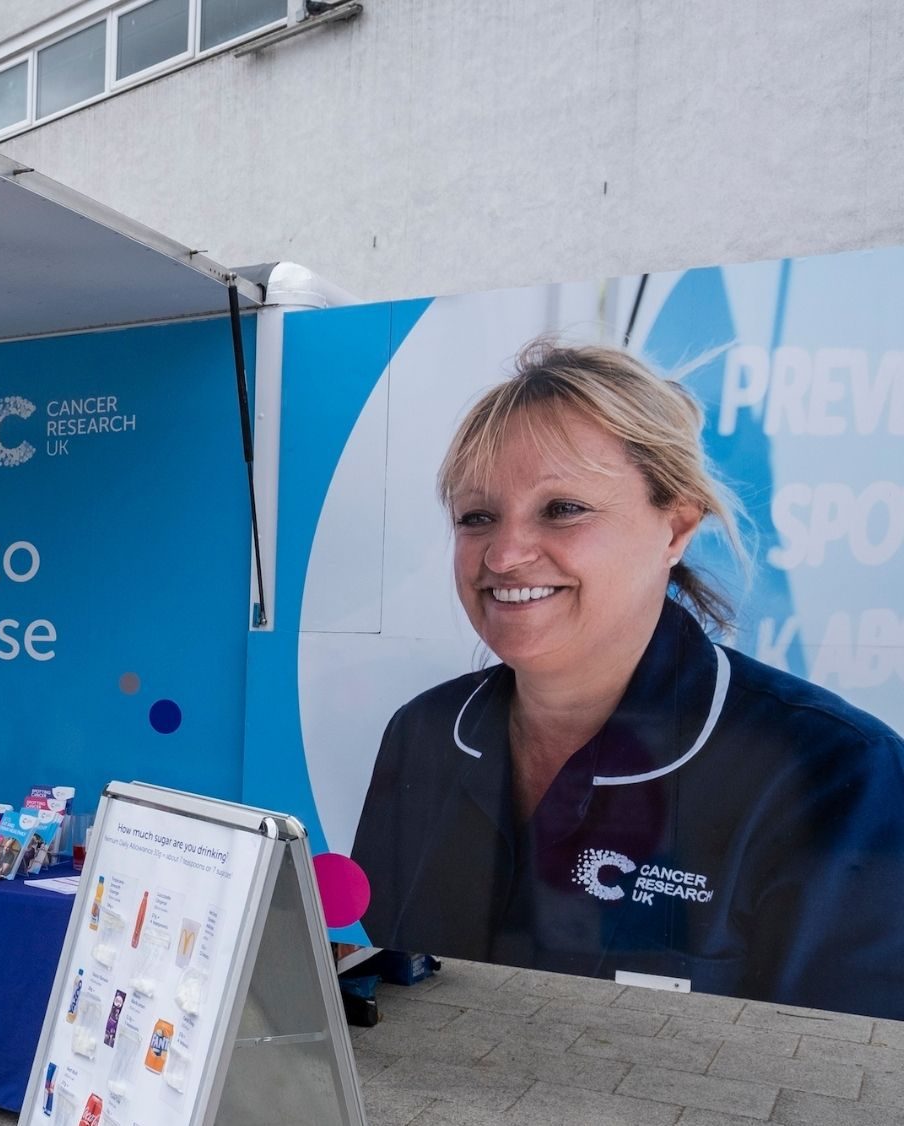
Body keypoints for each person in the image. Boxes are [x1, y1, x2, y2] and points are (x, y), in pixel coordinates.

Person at [351, 340, 904, 1016]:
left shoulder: (836, 775)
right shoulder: (424, 734)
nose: (504, 553)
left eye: (563, 509)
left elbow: (847, 1079)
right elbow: (381, 986)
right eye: (476, 517)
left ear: (675, 527)